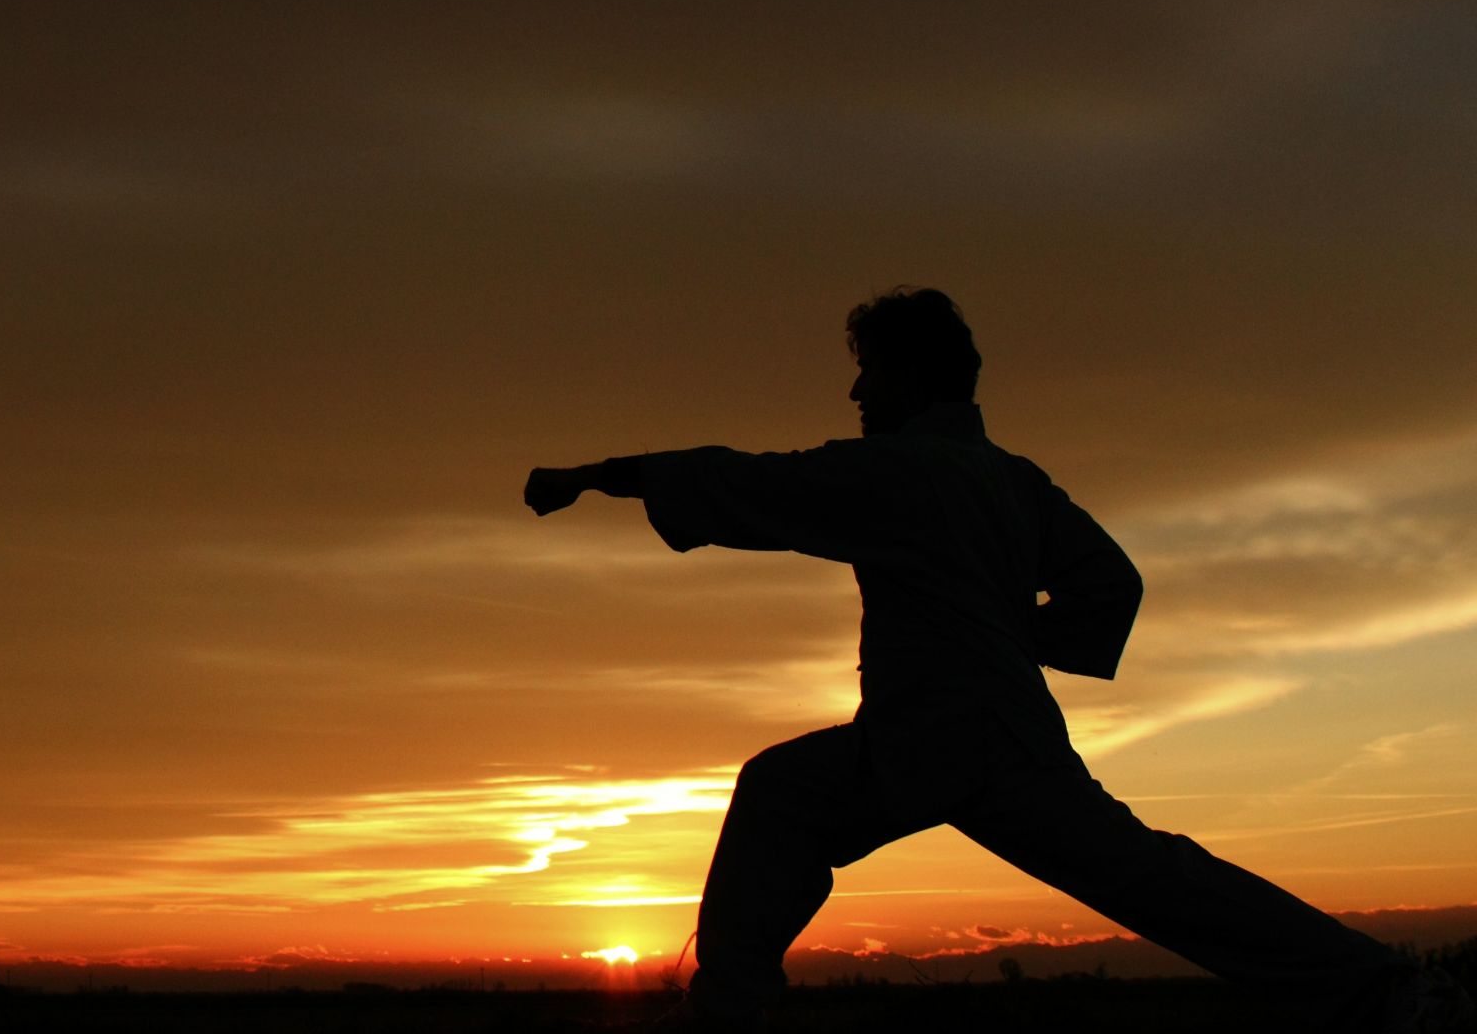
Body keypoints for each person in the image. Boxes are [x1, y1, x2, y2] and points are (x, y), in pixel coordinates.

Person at [523, 288, 1474, 1033]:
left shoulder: (896, 471)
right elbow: (1113, 585)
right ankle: (1385, 992)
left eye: (868, 372)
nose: (855, 394)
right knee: (1130, 870)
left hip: (951, 734)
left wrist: (590, 476)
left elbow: (742, 476)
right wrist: (1022, 644)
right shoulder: (1013, 479)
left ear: (911, 375)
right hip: (976, 730)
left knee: (796, 797)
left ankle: (725, 1014)